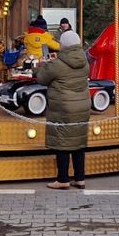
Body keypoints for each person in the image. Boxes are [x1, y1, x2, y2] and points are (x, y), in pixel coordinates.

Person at [36, 31, 90, 190]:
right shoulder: (84, 62)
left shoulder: (57, 64)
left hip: (63, 107)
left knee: (62, 142)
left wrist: (44, 65)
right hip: (82, 106)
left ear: (63, 45)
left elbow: (41, 78)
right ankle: (80, 178)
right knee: (78, 142)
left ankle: (63, 179)